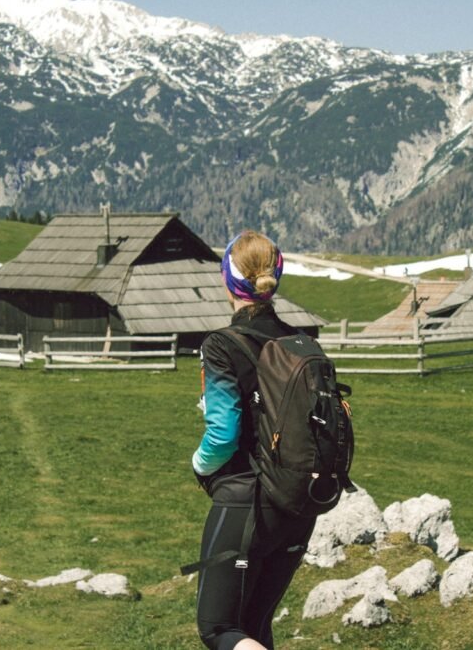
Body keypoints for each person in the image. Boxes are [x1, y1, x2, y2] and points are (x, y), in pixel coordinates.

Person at [191, 230, 317, 650]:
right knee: (256, 625)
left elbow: (223, 435)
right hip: (299, 504)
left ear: (229, 281)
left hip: (247, 501)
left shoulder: (222, 346)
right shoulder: (301, 343)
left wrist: (199, 464)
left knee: (220, 628)